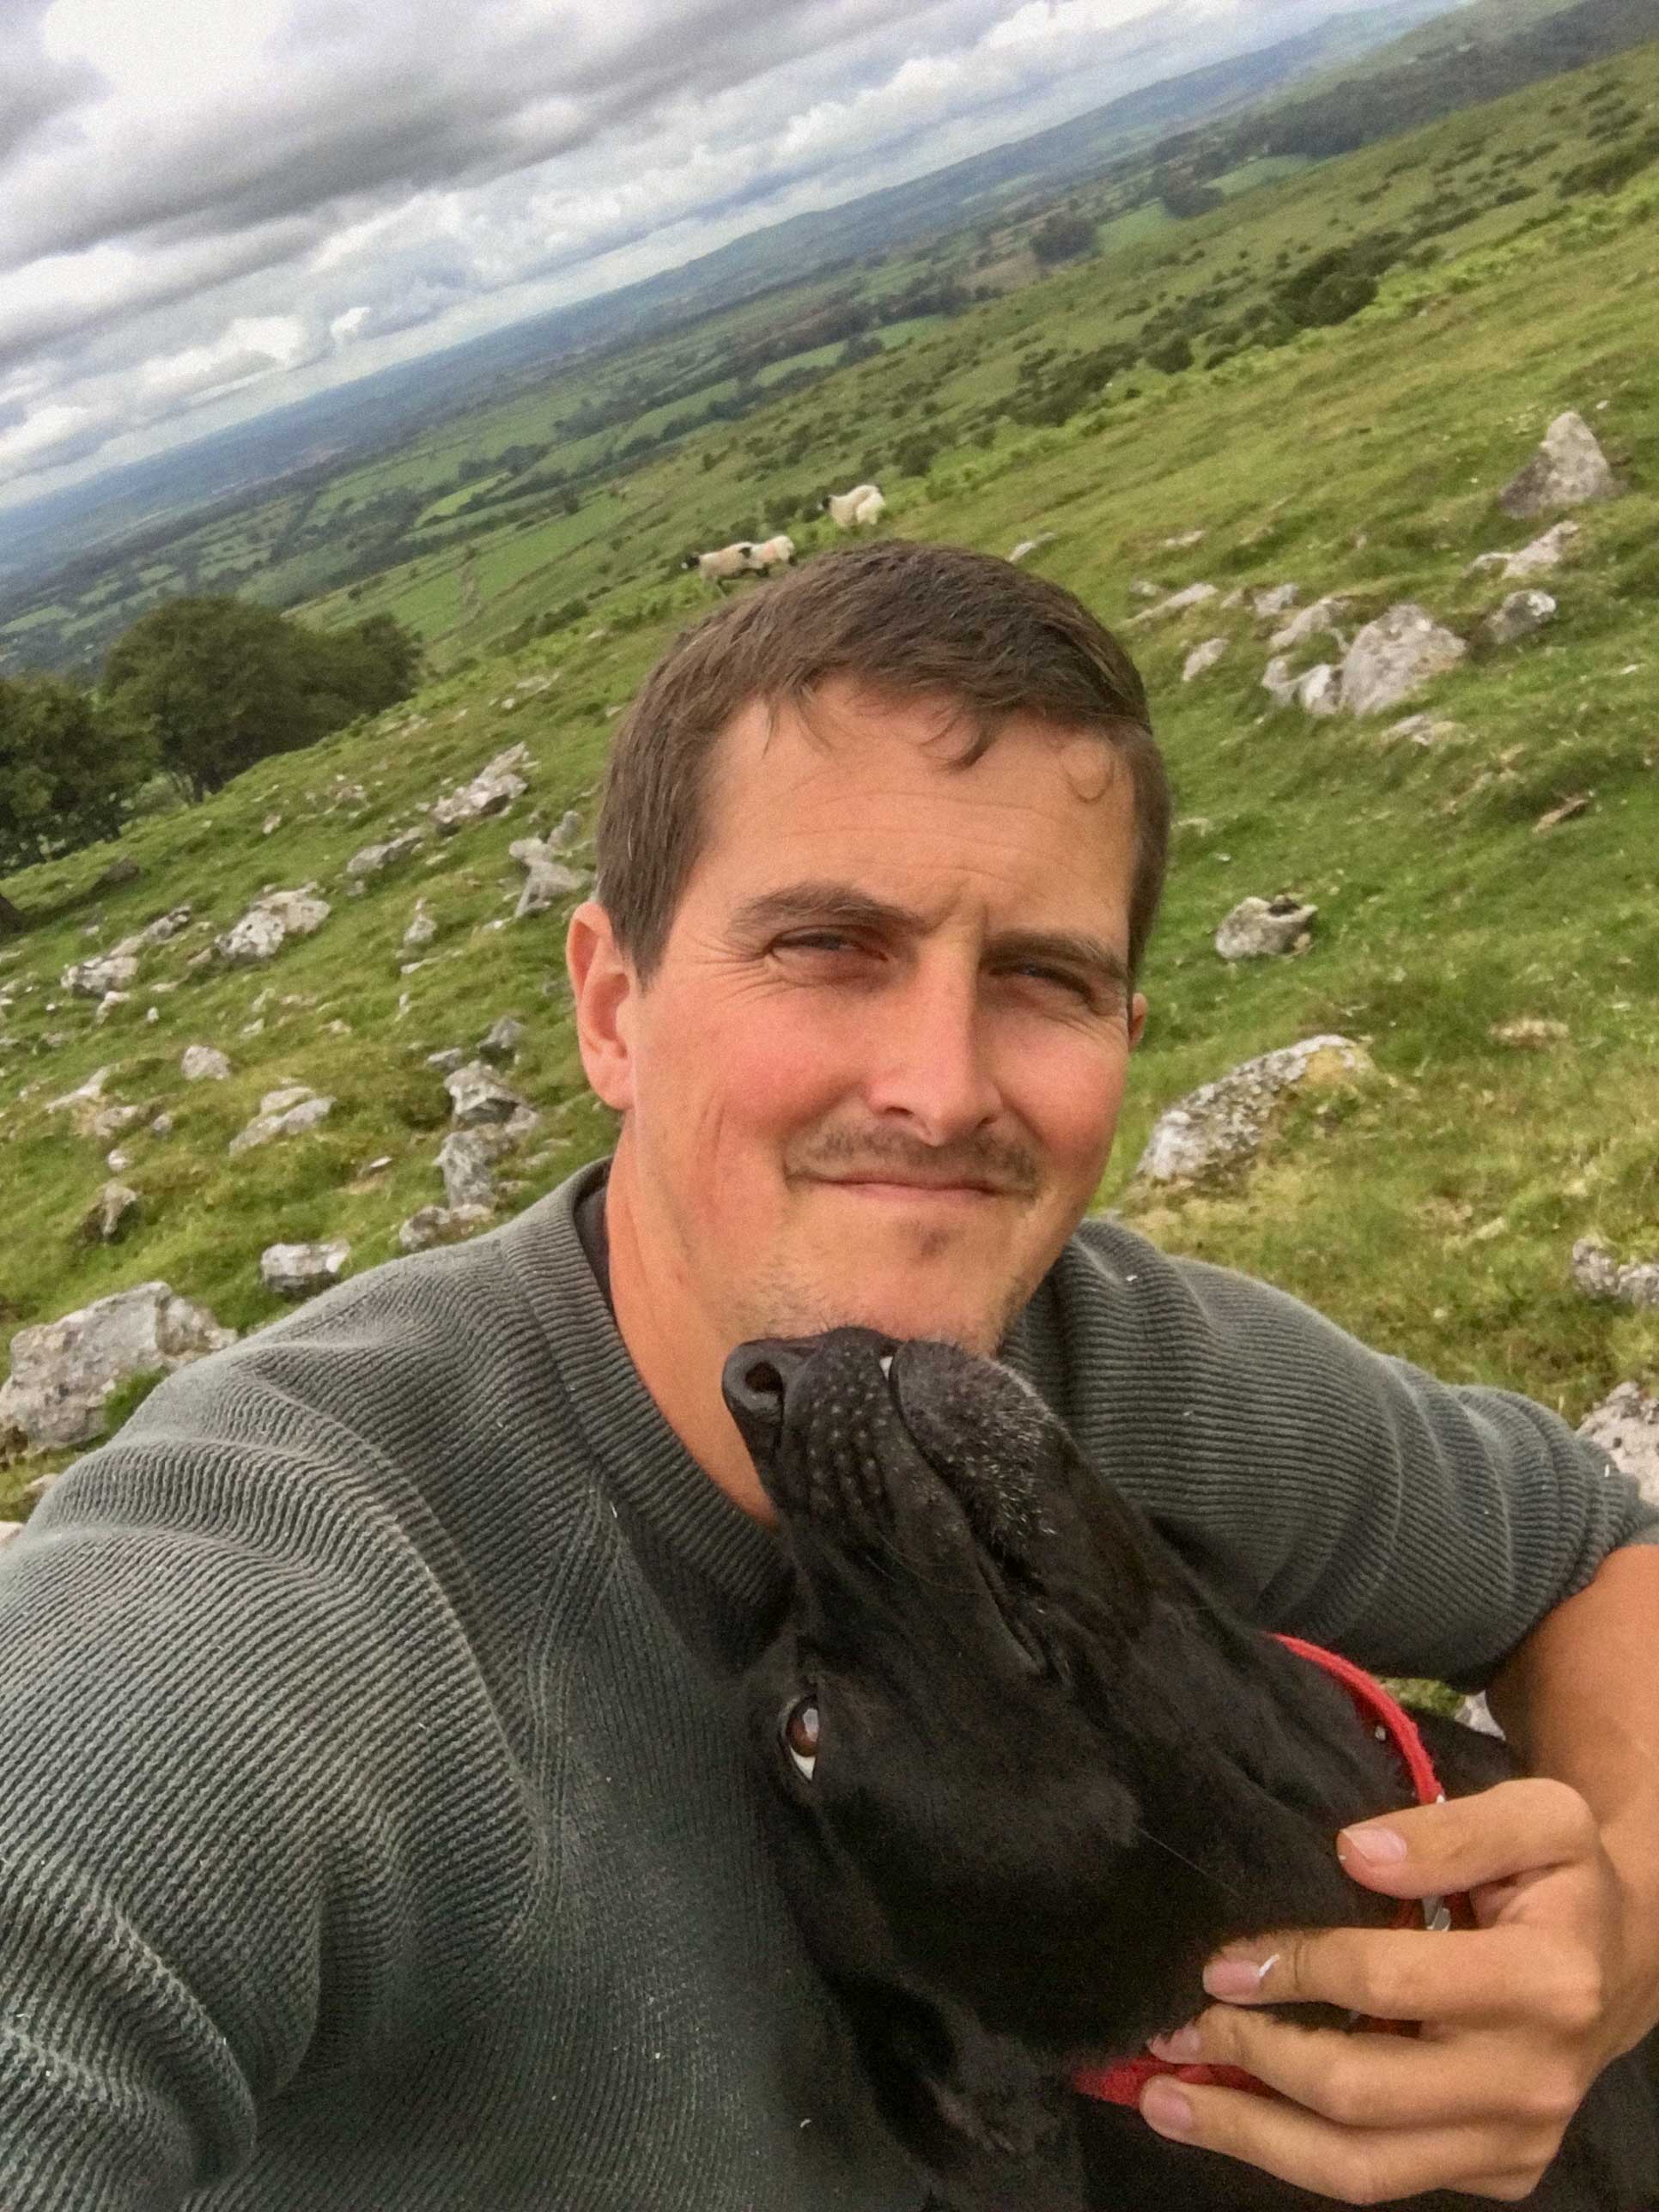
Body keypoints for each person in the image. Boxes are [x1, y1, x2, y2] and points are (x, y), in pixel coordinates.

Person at [0, 539, 1654, 2211]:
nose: (941, 1089)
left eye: (1042, 979)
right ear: (613, 1009)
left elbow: (1588, 1553)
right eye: (826, 946)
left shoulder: (1100, 1360)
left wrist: (1621, 1940)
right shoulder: (298, 1598)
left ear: (1125, 1039)